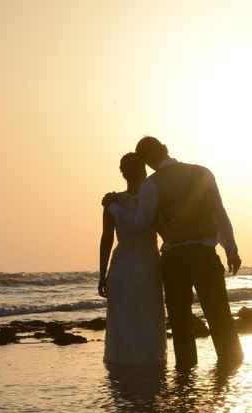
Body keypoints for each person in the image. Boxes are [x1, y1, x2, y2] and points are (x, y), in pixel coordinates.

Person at [103, 137, 243, 369]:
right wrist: (232, 250)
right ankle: (229, 370)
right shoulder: (202, 173)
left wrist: (115, 206)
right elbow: (220, 213)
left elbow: (139, 222)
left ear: (146, 162)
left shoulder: (152, 184)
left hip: (175, 258)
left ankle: (186, 376)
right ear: (165, 149)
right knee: (220, 315)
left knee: (181, 323)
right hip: (205, 253)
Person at [99, 153, 166, 366]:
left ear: (122, 172)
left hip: (125, 264)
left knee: (124, 319)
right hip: (145, 263)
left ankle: (123, 365)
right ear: (144, 171)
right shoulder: (153, 200)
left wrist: (102, 274)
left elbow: (106, 239)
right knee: (147, 316)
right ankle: (150, 361)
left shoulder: (114, 202)